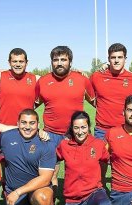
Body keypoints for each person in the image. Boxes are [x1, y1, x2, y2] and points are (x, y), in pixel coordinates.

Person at [56, 111, 113, 205]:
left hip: (94, 192)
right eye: (76, 128)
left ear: (89, 127)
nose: (80, 131)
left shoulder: (98, 144)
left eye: (83, 127)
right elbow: (53, 159)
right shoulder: (64, 145)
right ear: (71, 128)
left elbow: (108, 159)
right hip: (74, 197)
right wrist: (53, 178)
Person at [35, 46, 95, 192]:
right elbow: (31, 108)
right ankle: (52, 202)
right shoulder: (43, 81)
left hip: (76, 135)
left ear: (70, 62)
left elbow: (96, 102)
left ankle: (78, 204)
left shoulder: (82, 80)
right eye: (56, 60)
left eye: (63, 59)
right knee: (51, 174)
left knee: (80, 173)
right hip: (50, 135)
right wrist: (37, 129)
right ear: (51, 62)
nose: (59, 63)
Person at [90, 43, 132, 189]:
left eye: (119, 57)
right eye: (113, 57)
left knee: (124, 166)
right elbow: (89, 96)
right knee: (98, 166)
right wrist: (101, 107)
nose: (116, 60)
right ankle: (99, 199)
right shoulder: (96, 76)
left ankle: (125, 197)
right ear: (108, 59)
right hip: (102, 130)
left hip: (125, 130)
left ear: (125, 59)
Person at [0, 109, 57, 205]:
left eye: (32, 123)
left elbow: (45, 178)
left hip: (36, 190)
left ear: (38, 124)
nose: (27, 127)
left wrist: (18, 192)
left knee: (44, 196)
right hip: (13, 189)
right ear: (17, 124)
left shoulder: (46, 143)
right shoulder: (5, 137)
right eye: (24, 123)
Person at [0, 48, 37, 125]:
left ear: (26, 63)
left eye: (21, 61)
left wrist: (35, 104)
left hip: (27, 129)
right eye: (14, 61)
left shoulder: (35, 79)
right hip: (4, 128)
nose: (18, 64)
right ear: (9, 62)